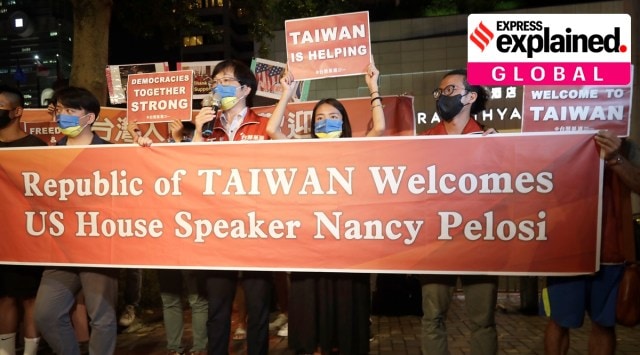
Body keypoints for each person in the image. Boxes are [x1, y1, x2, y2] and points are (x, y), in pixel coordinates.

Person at [266, 61, 385, 355]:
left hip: (348, 246)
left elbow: (380, 127)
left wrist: (374, 88)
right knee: (309, 313)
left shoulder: (354, 149)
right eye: (320, 117)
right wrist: (287, 92)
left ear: (343, 122)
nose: (326, 121)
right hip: (311, 246)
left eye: (333, 116)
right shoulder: (303, 150)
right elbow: (271, 129)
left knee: (347, 311)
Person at [193, 59, 273, 355]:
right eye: (215, 83)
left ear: (245, 89)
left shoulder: (264, 125)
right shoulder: (207, 127)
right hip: (217, 231)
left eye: (225, 81)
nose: (218, 87)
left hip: (257, 230)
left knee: (257, 307)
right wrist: (198, 131)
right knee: (217, 307)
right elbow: (190, 172)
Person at [34, 86, 119, 355]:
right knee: (46, 313)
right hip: (61, 248)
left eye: (71, 111)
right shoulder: (48, 153)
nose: (63, 116)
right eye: (60, 111)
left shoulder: (112, 153)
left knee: (101, 317)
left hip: (98, 247)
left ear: (90, 118)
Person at [419, 69, 498, 355]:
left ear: (471, 96)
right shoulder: (422, 142)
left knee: (483, 321)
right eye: (439, 92)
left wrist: (500, 151)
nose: (442, 97)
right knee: (432, 317)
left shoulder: (492, 141)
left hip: (480, 243)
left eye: (449, 90)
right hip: (436, 244)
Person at [543, 129, 640, 355]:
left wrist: (615, 158)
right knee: (558, 320)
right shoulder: (555, 142)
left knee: (604, 324)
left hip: (611, 252)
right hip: (565, 251)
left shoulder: (625, 145)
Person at [0, 84, 47, 355]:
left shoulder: (35, 147)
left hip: (28, 239)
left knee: (31, 299)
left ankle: (31, 351)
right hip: (1, 240)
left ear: (17, 111)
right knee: (4, 298)